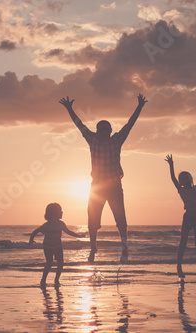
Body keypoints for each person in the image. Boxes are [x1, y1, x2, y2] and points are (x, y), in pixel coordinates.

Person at [59, 94, 148, 262]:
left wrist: (140, 107)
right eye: (101, 129)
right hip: (97, 187)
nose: (104, 132)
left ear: (110, 131)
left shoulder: (116, 140)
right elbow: (80, 125)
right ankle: (93, 249)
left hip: (114, 186)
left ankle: (124, 248)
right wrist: (70, 109)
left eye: (107, 129)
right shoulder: (92, 140)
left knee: (121, 220)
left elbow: (130, 125)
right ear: (97, 131)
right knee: (92, 220)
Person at [29, 203, 84, 287]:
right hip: (48, 246)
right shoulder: (46, 225)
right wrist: (31, 240)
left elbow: (68, 232)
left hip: (58, 246)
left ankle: (56, 280)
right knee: (49, 263)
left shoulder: (61, 224)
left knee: (60, 263)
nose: (62, 212)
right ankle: (43, 280)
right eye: (60, 211)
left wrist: (79, 236)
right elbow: (35, 232)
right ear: (54, 213)